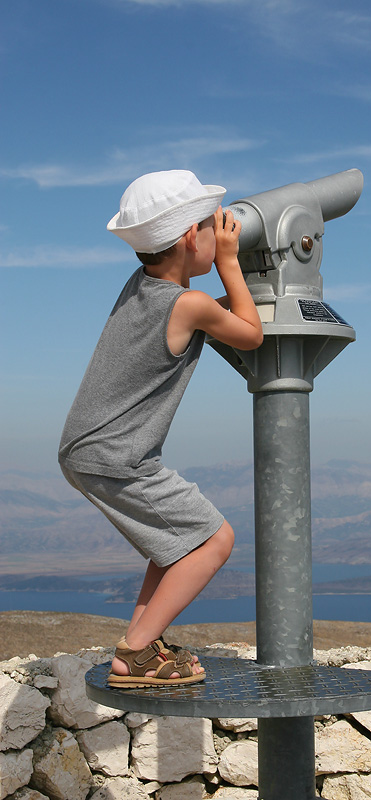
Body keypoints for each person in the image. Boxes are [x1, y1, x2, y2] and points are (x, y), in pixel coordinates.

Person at [58, 170, 263, 687]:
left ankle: (142, 648)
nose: (221, 235)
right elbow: (252, 335)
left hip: (88, 450)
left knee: (173, 545)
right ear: (193, 239)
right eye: (212, 228)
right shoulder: (188, 304)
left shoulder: (144, 289)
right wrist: (231, 264)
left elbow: (207, 316)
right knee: (215, 540)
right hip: (116, 455)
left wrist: (215, 270)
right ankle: (135, 651)